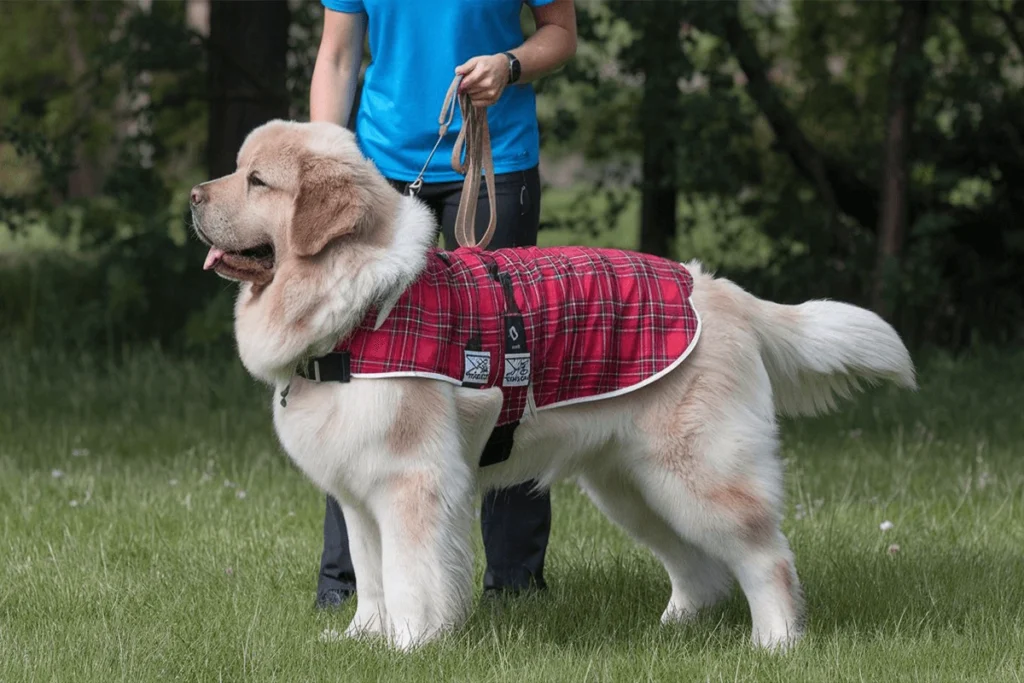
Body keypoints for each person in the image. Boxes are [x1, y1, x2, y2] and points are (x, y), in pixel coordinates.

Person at [308, 0, 578, 609]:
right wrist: (331, 161)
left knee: (505, 365)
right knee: (360, 368)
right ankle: (346, 587)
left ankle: (514, 583)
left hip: (493, 159)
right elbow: (337, 54)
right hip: (378, 167)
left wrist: (510, 65)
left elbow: (560, 35)